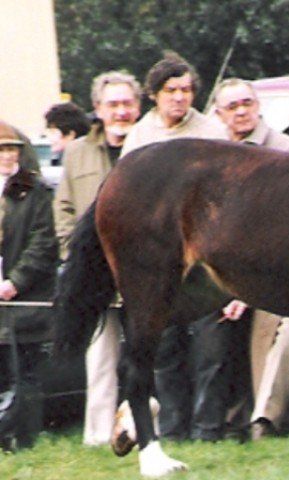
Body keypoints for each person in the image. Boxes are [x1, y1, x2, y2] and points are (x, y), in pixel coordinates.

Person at [119, 51, 228, 442]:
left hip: (207, 259)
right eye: (171, 90)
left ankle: (208, 429)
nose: (180, 97)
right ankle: (172, 429)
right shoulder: (140, 137)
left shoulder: (212, 132)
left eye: (186, 90)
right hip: (158, 258)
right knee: (164, 350)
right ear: (154, 94)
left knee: (210, 352)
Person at [187, 77, 289, 442]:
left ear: (258, 105)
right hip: (225, 273)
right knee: (214, 343)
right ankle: (228, 423)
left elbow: (287, 223)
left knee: (265, 343)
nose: (241, 112)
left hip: (277, 271)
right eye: (231, 107)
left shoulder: (283, 149)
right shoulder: (212, 156)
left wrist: (245, 291)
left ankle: (270, 423)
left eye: (246, 103)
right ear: (218, 114)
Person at [54, 70, 142, 446]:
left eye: (127, 104)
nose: (121, 112)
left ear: (139, 106)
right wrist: (76, 256)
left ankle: (144, 426)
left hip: (144, 273)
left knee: (147, 353)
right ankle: (98, 435)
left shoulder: (151, 146)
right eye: (113, 104)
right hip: (97, 273)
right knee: (100, 358)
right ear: (98, 109)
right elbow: (64, 210)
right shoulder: (77, 154)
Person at [0, 120, 58, 450]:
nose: (8, 156)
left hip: (25, 301)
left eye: (12, 149)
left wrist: (15, 282)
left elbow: (43, 243)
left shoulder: (34, 191)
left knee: (27, 376)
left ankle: (25, 441)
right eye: (2, 149)